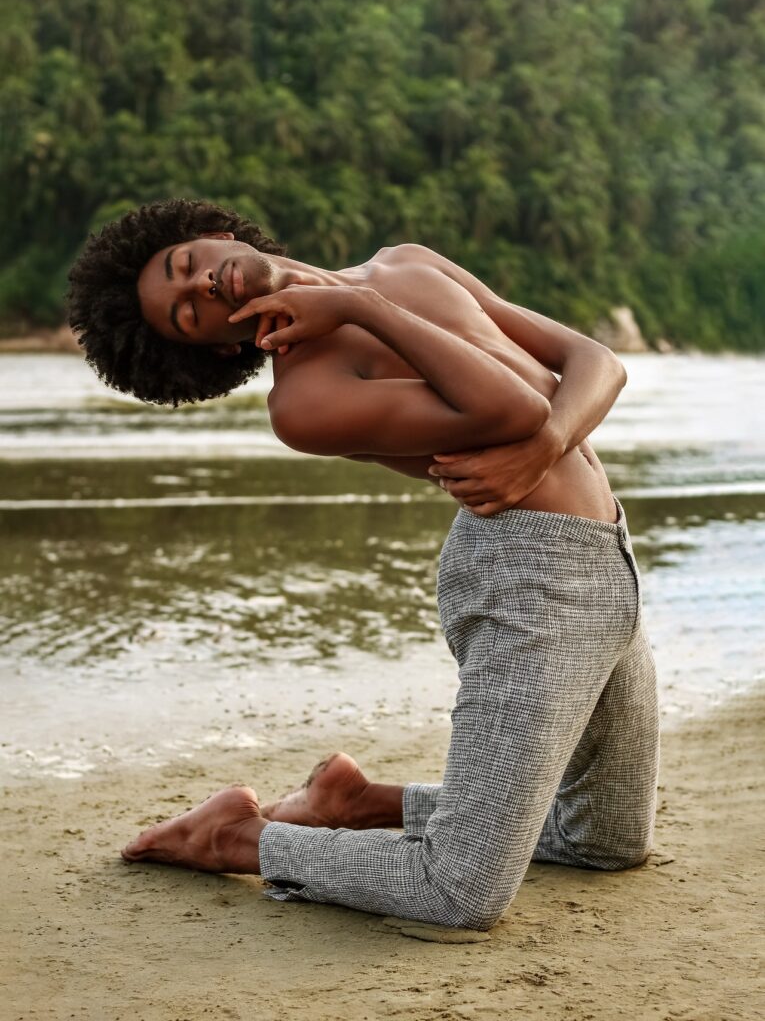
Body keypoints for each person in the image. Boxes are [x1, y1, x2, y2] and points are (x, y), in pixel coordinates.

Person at [68, 199, 658, 931]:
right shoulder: (306, 401)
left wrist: (552, 441)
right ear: (217, 350)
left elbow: (597, 364)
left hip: (606, 555)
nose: (201, 285)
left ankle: (356, 802)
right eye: (187, 313)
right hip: (526, 577)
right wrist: (360, 308)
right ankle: (237, 837)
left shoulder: (406, 262)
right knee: (457, 891)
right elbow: (514, 409)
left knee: (603, 840)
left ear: (214, 235)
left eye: (185, 264)